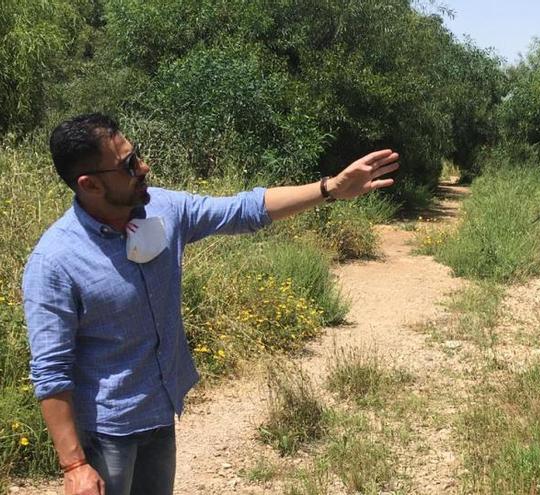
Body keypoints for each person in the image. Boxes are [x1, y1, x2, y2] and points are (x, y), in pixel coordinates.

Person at [22, 113, 400, 495]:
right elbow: (51, 371)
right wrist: (75, 465)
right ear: (90, 185)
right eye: (128, 165)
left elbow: (244, 209)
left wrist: (330, 188)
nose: (143, 167)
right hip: (106, 432)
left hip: (159, 411)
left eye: (136, 155)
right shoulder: (56, 261)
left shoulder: (163, 210)